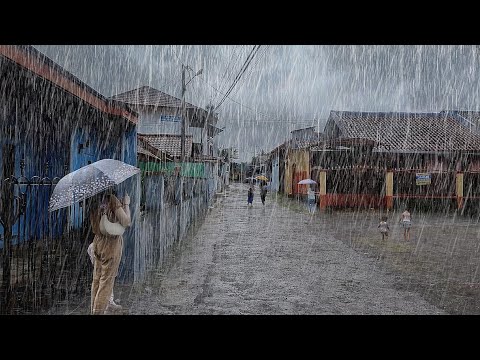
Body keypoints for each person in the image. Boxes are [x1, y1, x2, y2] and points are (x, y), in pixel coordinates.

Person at [90, 190, 131, 315]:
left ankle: (93, 310)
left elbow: (94, 226)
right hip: (111, 245)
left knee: (97, 280)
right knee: (106, 284)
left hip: (98, 242)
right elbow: (126, 222)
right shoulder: (111, 199)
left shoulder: (92, 199)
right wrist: (126, 205)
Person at [87, 242, 121, 311]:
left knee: (102, 277)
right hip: (104, 246)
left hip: (100, 245)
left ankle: (99, 305)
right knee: (106, 277)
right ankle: (104, 304)